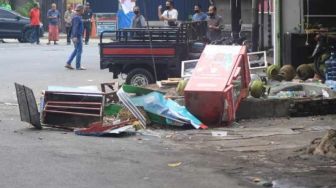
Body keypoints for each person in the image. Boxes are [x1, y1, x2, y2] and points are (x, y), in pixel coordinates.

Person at [65, 4, 85, 70]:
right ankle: (78, 66)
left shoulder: (78, 16)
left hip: (77, 35)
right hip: (77, 36)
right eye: (83, 9)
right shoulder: (77, 17)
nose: (84, 10)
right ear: (81, 10)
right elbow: (75, 28)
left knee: (76, 50)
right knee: (79, 50)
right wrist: (74, 37)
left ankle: (68, 63)